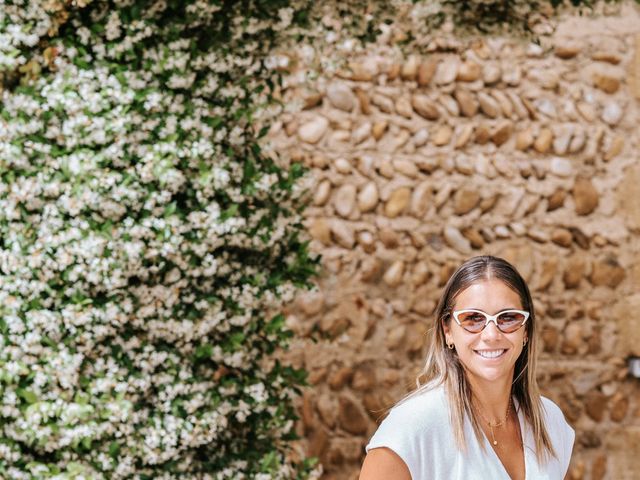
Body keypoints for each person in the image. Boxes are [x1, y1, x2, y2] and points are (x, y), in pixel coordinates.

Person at [359, 255, 574, 480]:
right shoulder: (413, 427)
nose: (491, 335)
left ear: (526, 330)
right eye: (473, 318)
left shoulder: (549, 421)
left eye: (508, 318)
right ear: (448, 330)